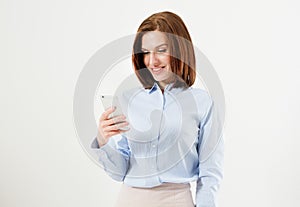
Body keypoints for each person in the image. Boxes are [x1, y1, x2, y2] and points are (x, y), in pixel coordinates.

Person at [91, 11, 224, 207]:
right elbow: (120, 171)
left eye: (161, 50)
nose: (151, 62)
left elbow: (210, 173)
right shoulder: (128, 100)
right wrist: (103, 140)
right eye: (145, 52)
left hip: (176, 200)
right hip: (130, 200)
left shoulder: (203, 103)